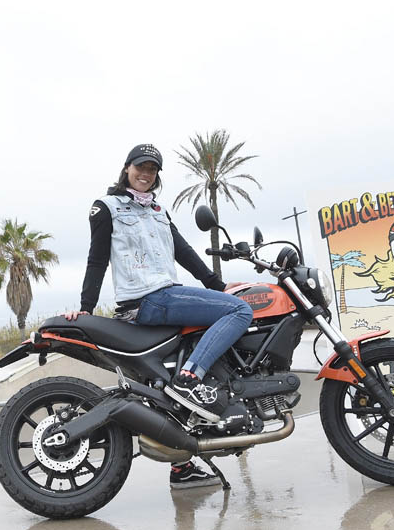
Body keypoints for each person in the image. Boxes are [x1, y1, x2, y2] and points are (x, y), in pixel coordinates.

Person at [64, 143, 254, 488]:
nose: (145, 174)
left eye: (152, 169)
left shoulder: (157, 211)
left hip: (168, 294)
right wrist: (86, 307)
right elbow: (97, 259)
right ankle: (189, 380)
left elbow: (184, 252)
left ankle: (181, 467)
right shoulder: (106, 208)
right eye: (140, 167)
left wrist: (217, 285)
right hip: (150, 299)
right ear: (127, 169)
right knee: (240, 310)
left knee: (211, 335)